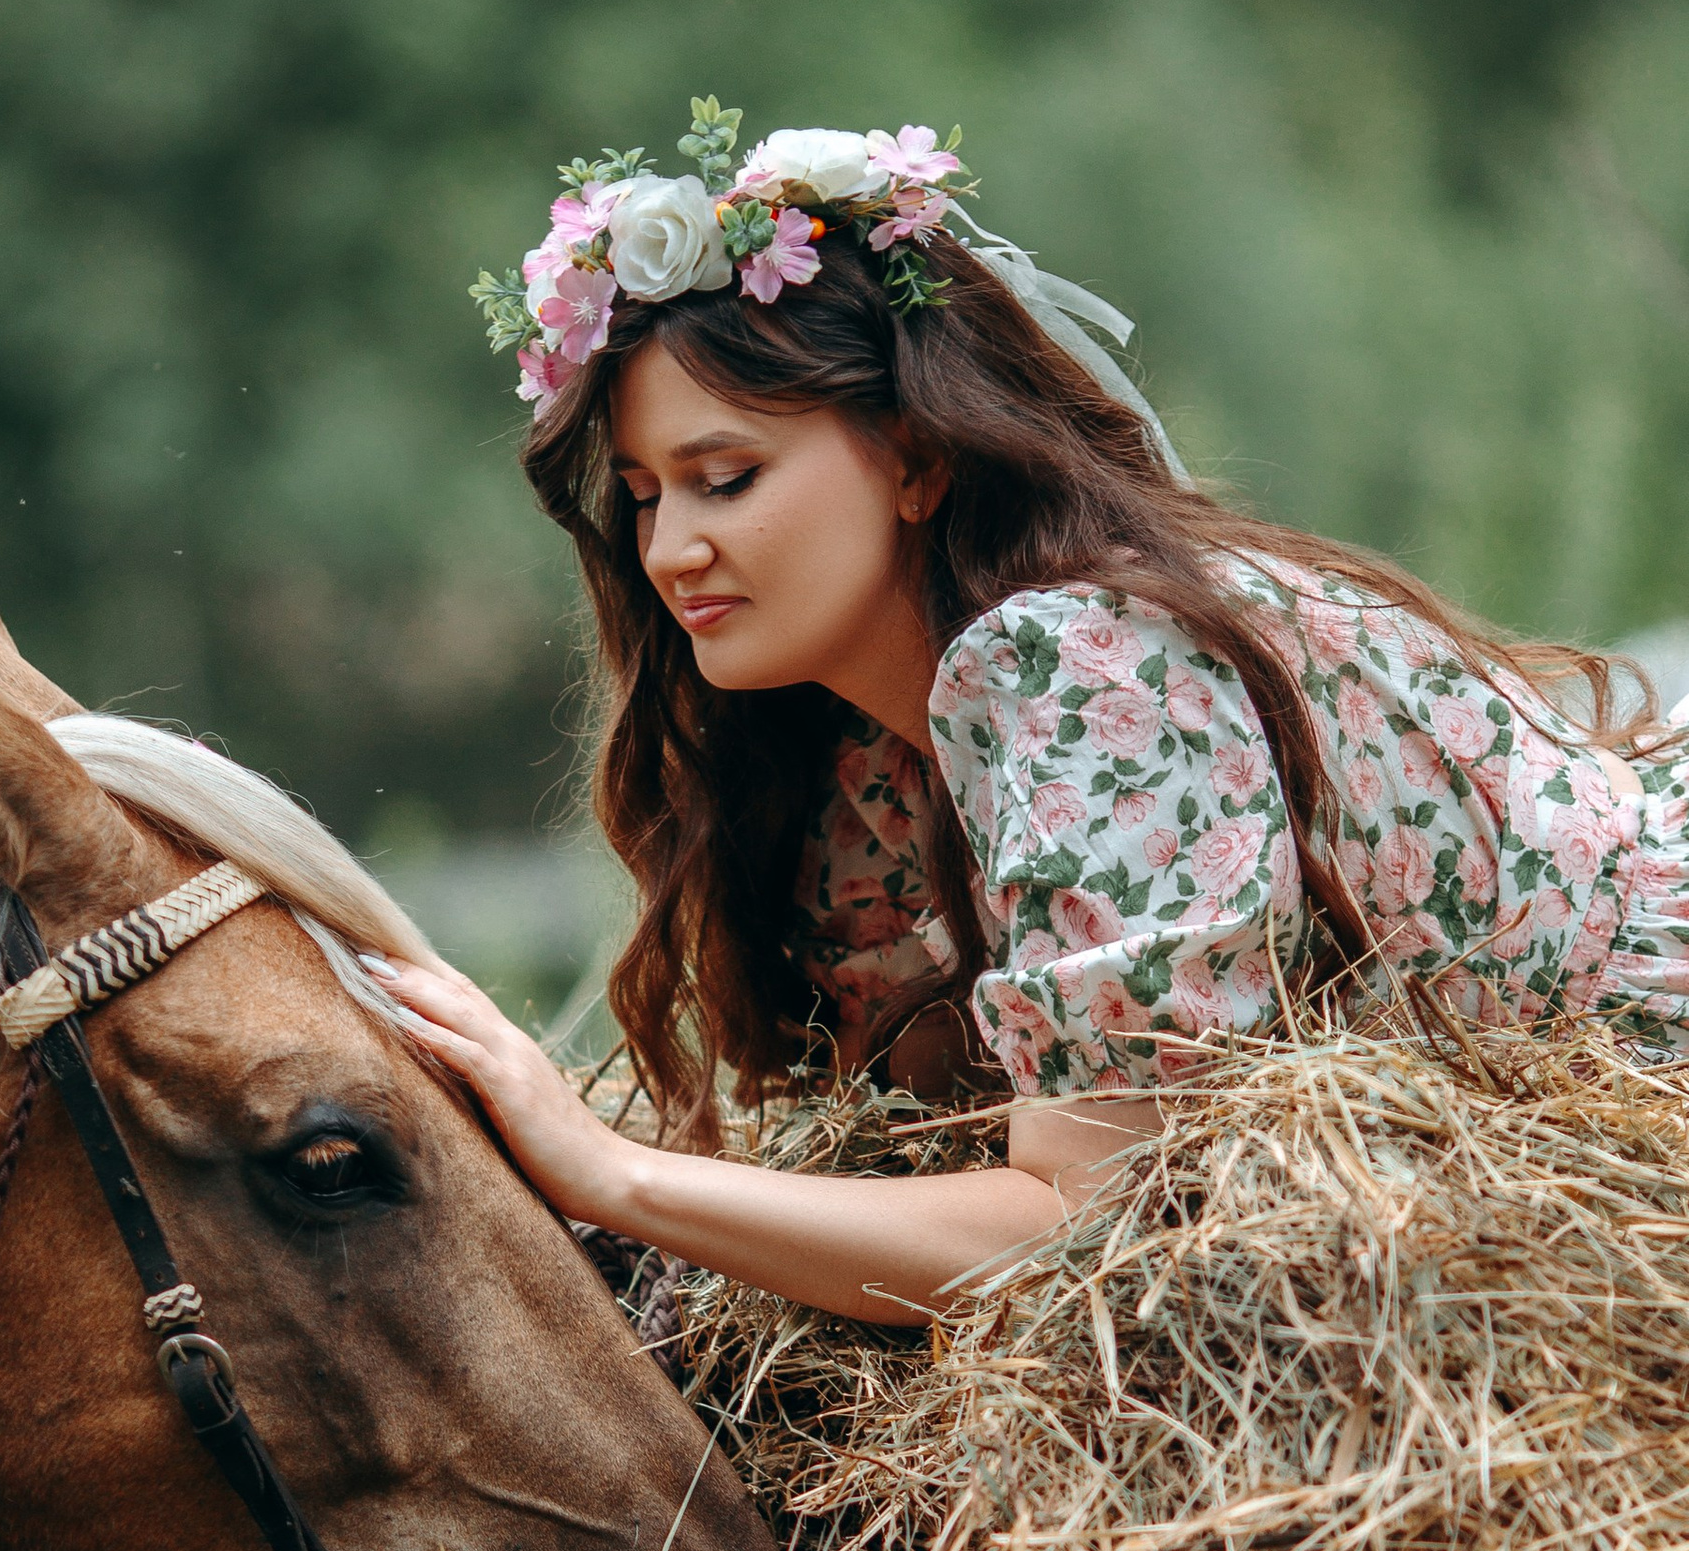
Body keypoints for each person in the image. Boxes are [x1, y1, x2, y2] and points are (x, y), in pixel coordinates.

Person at [372, 103, 1689, 1326]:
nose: (670, 552)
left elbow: (1090, 1230)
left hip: (1633, 1088)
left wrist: (608, 1172)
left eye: (727, 478)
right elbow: (928, 1164)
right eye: (647, 495)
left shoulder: (1091, 665)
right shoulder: (855, 765)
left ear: (917, 459)